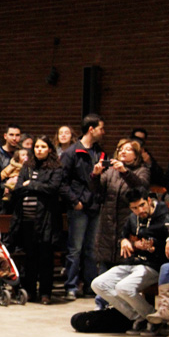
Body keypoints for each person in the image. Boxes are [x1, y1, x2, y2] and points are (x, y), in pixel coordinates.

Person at [91, 187, 169, 335]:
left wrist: (153, 246)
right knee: (98, 284)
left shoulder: (164, 217)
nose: (139, 211)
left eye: (142, 205)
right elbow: (124, 234)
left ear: (149, 201)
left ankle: (154, 319)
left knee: (123, 287)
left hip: (154, 265)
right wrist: (125, 241)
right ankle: (140, 316)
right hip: (133, 263)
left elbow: (168, 241)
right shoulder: (134, 218)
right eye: (134, 208)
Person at [8, 136, 63, 304]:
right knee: (29, 257)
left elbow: (52, 189)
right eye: (37, 147)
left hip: (46, 219)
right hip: (26, 219)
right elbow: (17, 189)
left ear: (50, 149)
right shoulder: (27, 166)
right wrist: (34, 186)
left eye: (43, 146)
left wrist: (30, 185)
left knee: (45, 257)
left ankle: (46, 293)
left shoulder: (56, 168)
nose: (39, 149)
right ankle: (30, 291)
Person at [60, 113, 106, 300]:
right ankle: (71, 285)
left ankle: (89, 285)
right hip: (79, 206)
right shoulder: (71, 153)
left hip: (95, 205)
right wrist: (74, 201)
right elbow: (62, 182)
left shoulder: (100, 152)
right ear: (91, 129)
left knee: (90, 249)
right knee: (75, 249)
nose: (104, 132)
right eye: (101, 128)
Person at [91, 138, 150, 274]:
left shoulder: (142, 170)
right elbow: (97, 192)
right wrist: (95, 176)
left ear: (136, 154)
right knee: (104, 267)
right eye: (120, 149)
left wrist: (125, 172)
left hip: (127, 221)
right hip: (107, 223)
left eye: (128, 149)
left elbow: (141, 188)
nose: (123, 151)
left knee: (124, 264)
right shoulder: (111, 171)